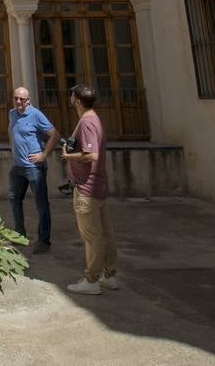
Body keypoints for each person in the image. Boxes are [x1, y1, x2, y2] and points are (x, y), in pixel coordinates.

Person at [58, 83, 119, 295]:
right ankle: (108, 275)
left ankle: (92, 279)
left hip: (87, 186)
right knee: (105, 234)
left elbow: (91, 155)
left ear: (77, 100)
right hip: (98, 184)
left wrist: (67, 156)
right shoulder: (94, 118)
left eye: (72, 95)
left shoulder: (87, 122)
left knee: (92, 236)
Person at [7, 86, 54, 253]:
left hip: (34, 168)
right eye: (16, 98)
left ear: (28, 100)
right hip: (17, 166)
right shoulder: (12, 114)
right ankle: (20, 234)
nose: (18, 101)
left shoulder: (36, 115)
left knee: (41, 204)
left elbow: (54, 135)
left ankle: (44, 240)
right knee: (14, 199)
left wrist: (43, 155)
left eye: (22, 99)